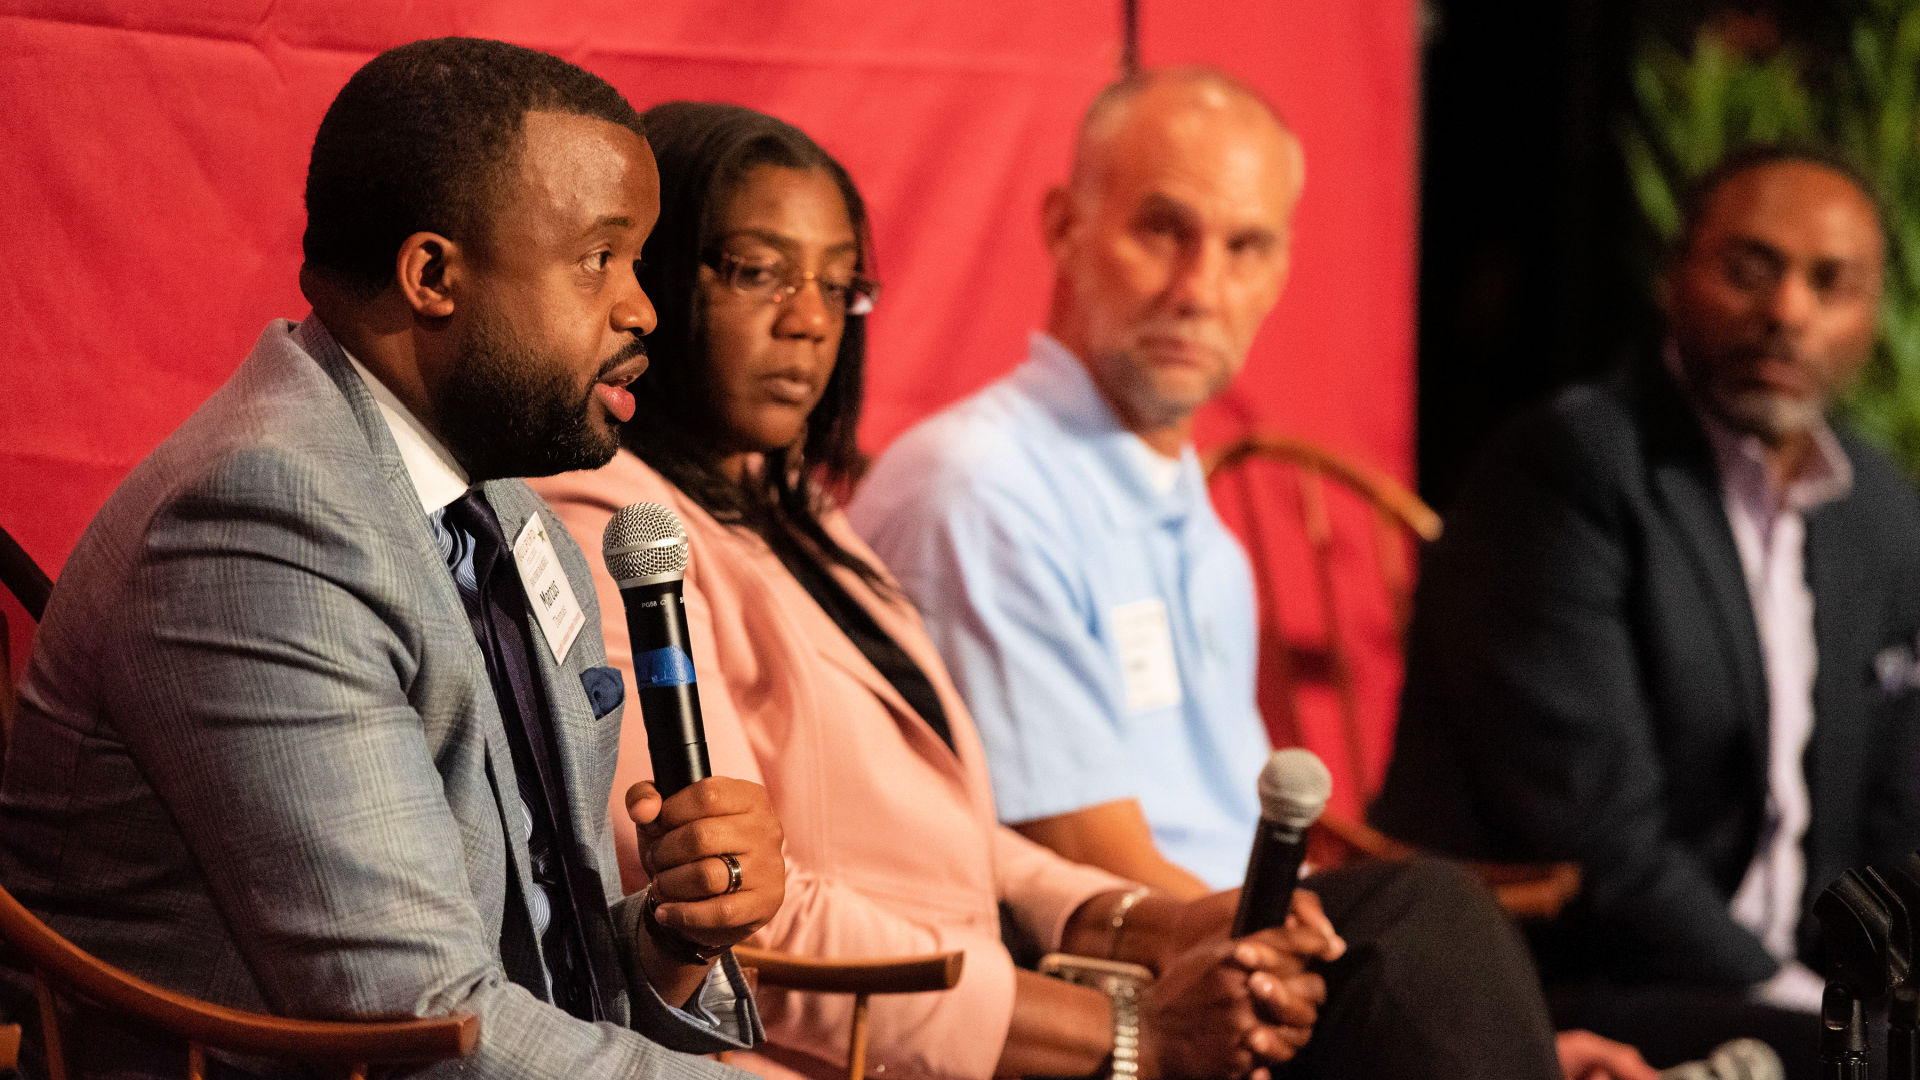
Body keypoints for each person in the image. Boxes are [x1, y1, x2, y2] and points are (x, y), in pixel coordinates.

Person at [537, 97, 1576, 1080]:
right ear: (653, 282)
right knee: (1420, 924)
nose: (809, 320)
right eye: (759, 272)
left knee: (1420, 934)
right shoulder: (617, 529)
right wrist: (1127, 1031)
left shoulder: (798, 524)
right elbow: (729, 909)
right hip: (887, 1045)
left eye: (837, 283)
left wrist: (1161, 923)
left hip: (1014, 1008)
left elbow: (966, 843)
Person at [0, 38, 786, 1080]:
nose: (640, 307)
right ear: (432, 276)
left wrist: (670, 940)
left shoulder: (504, 509)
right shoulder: (260, 521)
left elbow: (522, 958)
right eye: (601, 257)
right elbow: (414, 1029)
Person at [848, 66, 1653, 1080]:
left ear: (1281, 271)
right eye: (1163, 230)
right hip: (1130, 989)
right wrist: (1384, 995)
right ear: (1063, 226)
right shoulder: (982, 486)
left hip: (1253, 967)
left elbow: (1239, 836)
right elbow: (1101, 875)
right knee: (1428, 908)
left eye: (1244, 246)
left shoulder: (1186, 510)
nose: (1200, 288)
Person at [1366, 145, 1920, 1072]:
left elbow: (1899, 828)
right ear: (1676, 276)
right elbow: (1595, 843)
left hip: (1795, 989)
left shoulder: (1882, 511)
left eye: (1832, 283)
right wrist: (1801, 996)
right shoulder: (1565, 473)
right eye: (1751, 269)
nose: (1788, 312)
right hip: (1582, 984)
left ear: (1874, 315)